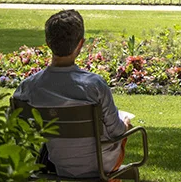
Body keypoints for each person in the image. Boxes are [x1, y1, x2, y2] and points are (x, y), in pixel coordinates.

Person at [12, 10, 132, 178]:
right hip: (101, 165)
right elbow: (117, 132)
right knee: (125, 127)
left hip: (57, 162)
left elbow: (16, 127)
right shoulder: (94, 85)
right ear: (80, 44)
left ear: (47, 42)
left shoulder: (28, 88)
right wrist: (125, 123)